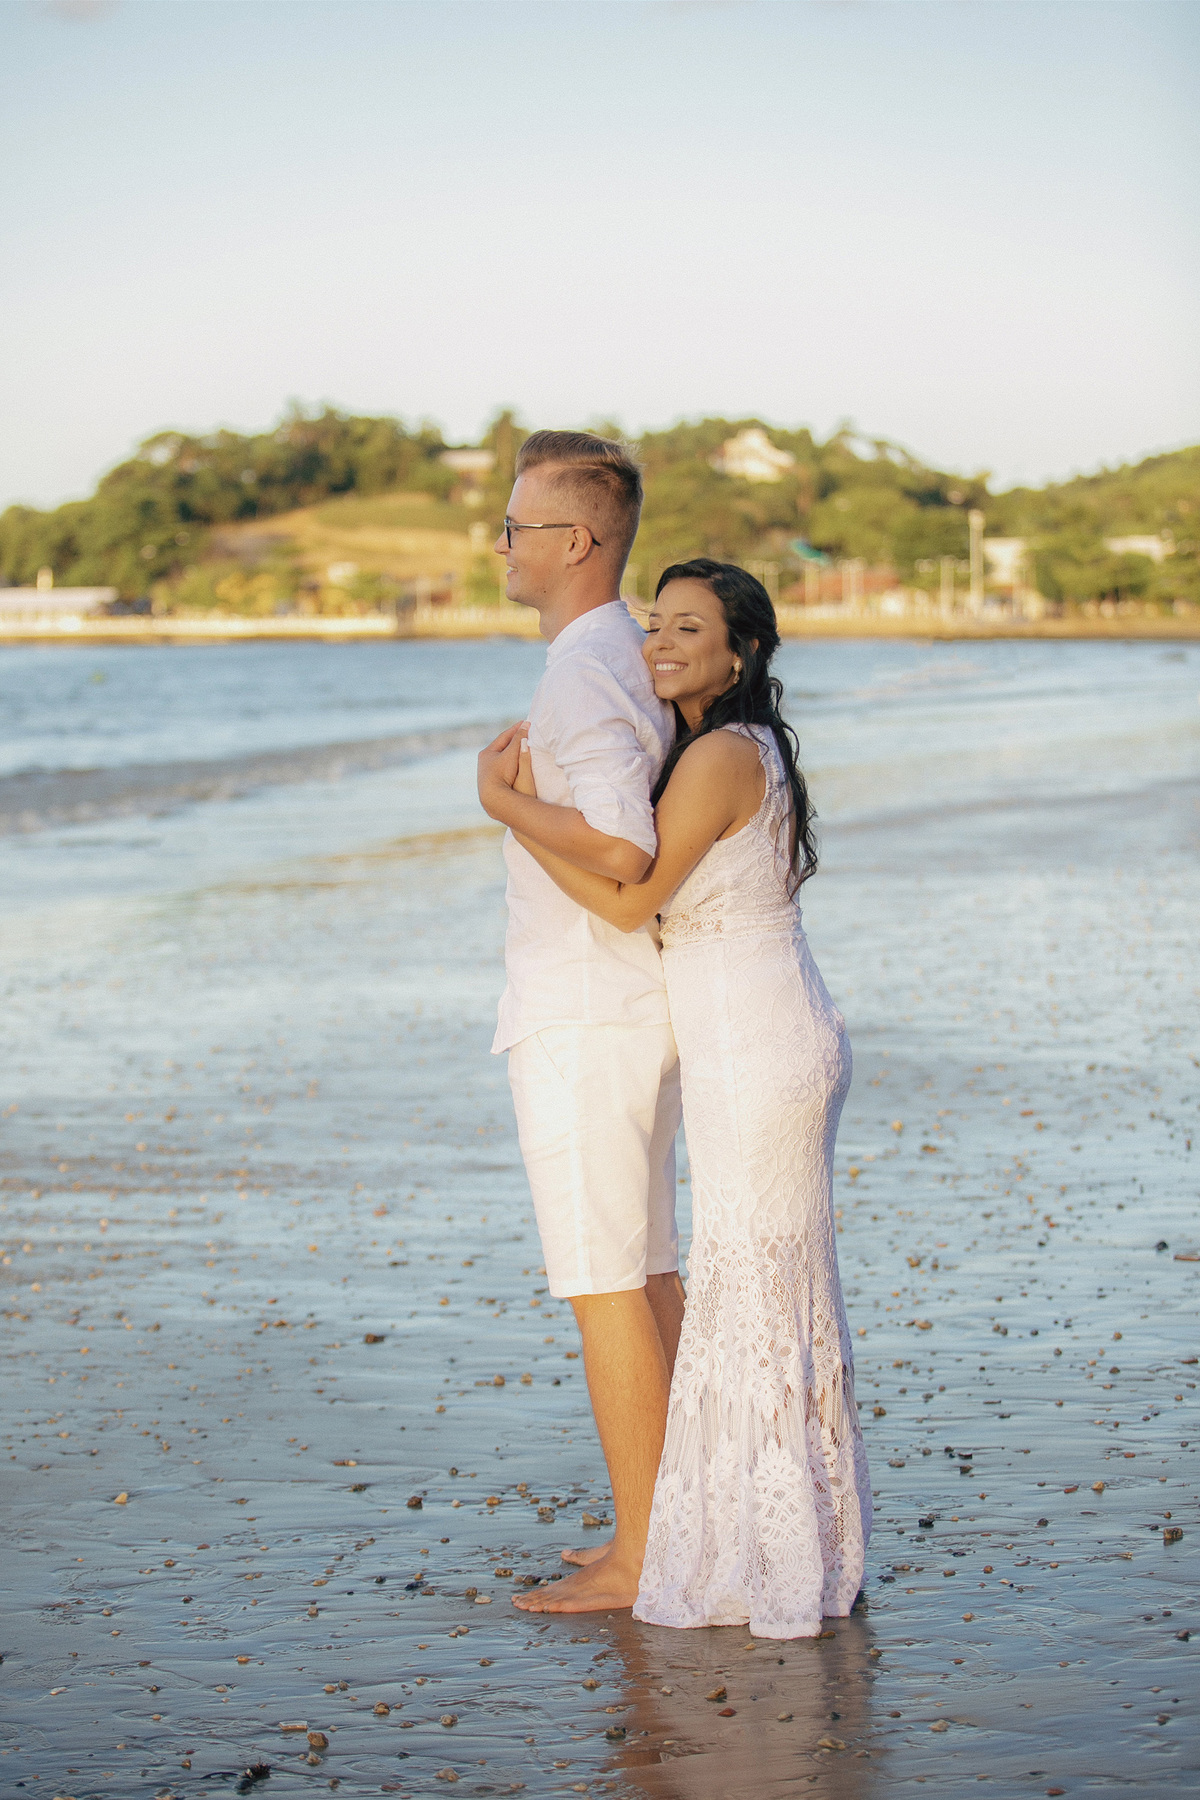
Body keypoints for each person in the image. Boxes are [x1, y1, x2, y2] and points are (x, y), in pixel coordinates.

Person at [483, 559, 871, 1638]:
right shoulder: (727, 747)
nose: (659, 645)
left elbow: (628, 898)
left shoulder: (715, 759)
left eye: (687, 629)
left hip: (757, 1046)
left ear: (739, 652)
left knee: (756, 1289)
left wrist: (510, 808)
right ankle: (779, 1532)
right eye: (656, 624)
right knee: (768, 1290)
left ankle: (765, 1551)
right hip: (766, 1029)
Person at [476, 430, 686, 1615]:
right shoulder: (615, 654)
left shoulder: (581, 670)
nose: (500, 545)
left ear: (576, 541)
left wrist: (503, 803)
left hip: (586, 1010)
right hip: (622, 1005)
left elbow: (620, 843)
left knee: (606, 1281)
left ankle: (645, 1554)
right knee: (645, 1271)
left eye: (515, 526)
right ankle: (671, 1522)